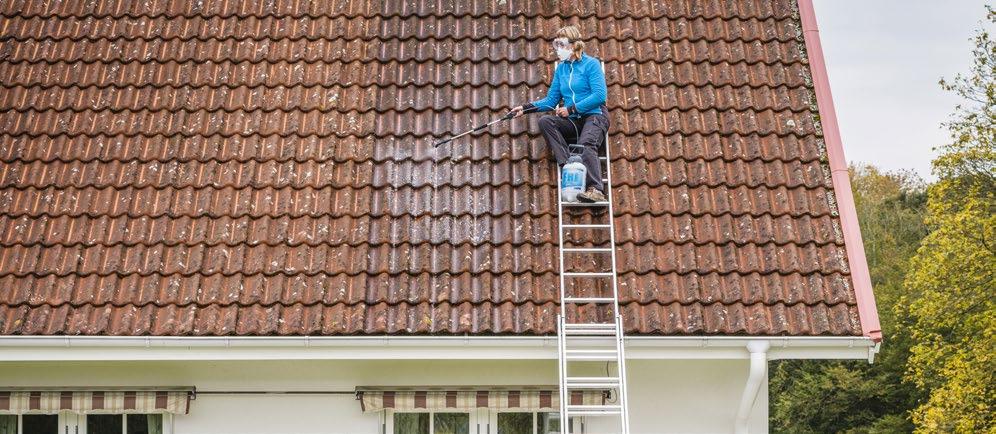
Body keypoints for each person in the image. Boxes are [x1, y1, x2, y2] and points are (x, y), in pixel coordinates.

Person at [511, 25, 609, 203]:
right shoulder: (561, 70)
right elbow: (550, 100)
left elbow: (600, 96)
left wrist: (571, 109)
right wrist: (524, 108)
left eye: (562, 44)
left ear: (574, 45)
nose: (558, 49)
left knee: (587, 145)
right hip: (574, 121)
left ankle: (596, 190)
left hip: (595, 116)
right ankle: (569, 165)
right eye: (556, 44)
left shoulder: (591, 64)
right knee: (546, 121)